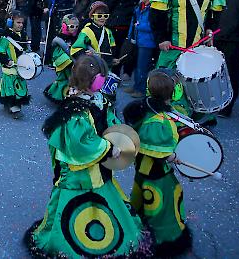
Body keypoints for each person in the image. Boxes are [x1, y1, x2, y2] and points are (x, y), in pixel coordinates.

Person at [25, 55, 150, 258]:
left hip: (98, 166)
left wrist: (119, 136)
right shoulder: (74, 111)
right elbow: (80, 143)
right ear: (91, 80)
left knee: (102, 193)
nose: (104, 81)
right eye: (101, 77)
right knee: (78, 201)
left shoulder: (98, 98)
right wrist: (107, 148)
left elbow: (108, 120)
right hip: (80, 170)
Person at [149, 0, 225, 123]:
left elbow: (215, 14)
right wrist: (161, 38)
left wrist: (210, 29)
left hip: (196, 47)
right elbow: (156, 15)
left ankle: (191, 119)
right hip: (173, 45)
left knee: (194, 85)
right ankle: (163, 118)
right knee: (166, 83)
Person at [124, 70, 192, 257]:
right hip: (154, 170)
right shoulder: (159, 121)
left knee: (141, 192)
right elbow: (154, 146)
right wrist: (170, 156)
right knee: (164, 196)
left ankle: (137, 220)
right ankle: (163, 236)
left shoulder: (147, 107)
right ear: (173, 92)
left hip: (143, 167)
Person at [105, 0, 139, 76]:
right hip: (127, 21)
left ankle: (109, 74)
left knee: (111, 48)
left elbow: (109, 2)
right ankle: (117, 73)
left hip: (114, 21)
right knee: (120, 48)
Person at [0, 11, 30, 117]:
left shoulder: (23, 35)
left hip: (20, 67)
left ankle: (15, 103)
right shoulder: (5, 38)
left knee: (20, 86)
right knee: (10, 87)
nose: (21, 25)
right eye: (18, 22)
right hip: (10, 67)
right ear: (10, 22)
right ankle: (13, 106)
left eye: (22, 23)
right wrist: (6, 61)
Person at [125, 0, 157, 98]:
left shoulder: (152, 9)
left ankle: (141, 89)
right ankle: (136, 86)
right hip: (139, 40)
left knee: (142, 67)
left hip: (147, 42)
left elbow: (153, 26)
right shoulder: (140, 7)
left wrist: (139, 26)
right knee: (137, 65)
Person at [43, 14, 79, 104]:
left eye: (76, 26)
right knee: (64, 79)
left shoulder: (75, 37)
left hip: (72, 61)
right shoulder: (59, 39)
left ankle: (66, 96)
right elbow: (56, 53)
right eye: (72, 26)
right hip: (64, 63)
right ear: (64, 26)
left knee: (70, 80)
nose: (74, 28)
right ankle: (59, 96)